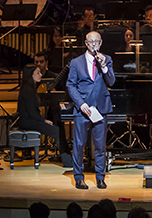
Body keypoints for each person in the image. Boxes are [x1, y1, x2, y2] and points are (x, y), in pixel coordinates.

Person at [66, 32, 116, 190]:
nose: (94, 44)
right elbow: (70, 85)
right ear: (86, 43)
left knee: (100, 146)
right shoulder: (76, 63)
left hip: (100, 108)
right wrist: (80, 104)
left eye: (96, 41)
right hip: (83, 110)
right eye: (90, 42)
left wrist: (104, 67)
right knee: (79, 146)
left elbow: (111, 81)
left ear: (100, 43)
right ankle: (79, 178)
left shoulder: (106, 59)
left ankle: (100, 177)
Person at [16, 54, 62, 152]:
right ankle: (67, 160)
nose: (41, 75)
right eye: (38, 73)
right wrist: (44, 121)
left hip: (30, 120)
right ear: (31, 75)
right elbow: (32, 112)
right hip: (28, 122)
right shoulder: (28, 91)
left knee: (56, 129)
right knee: (57, 131)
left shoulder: (29, 88)